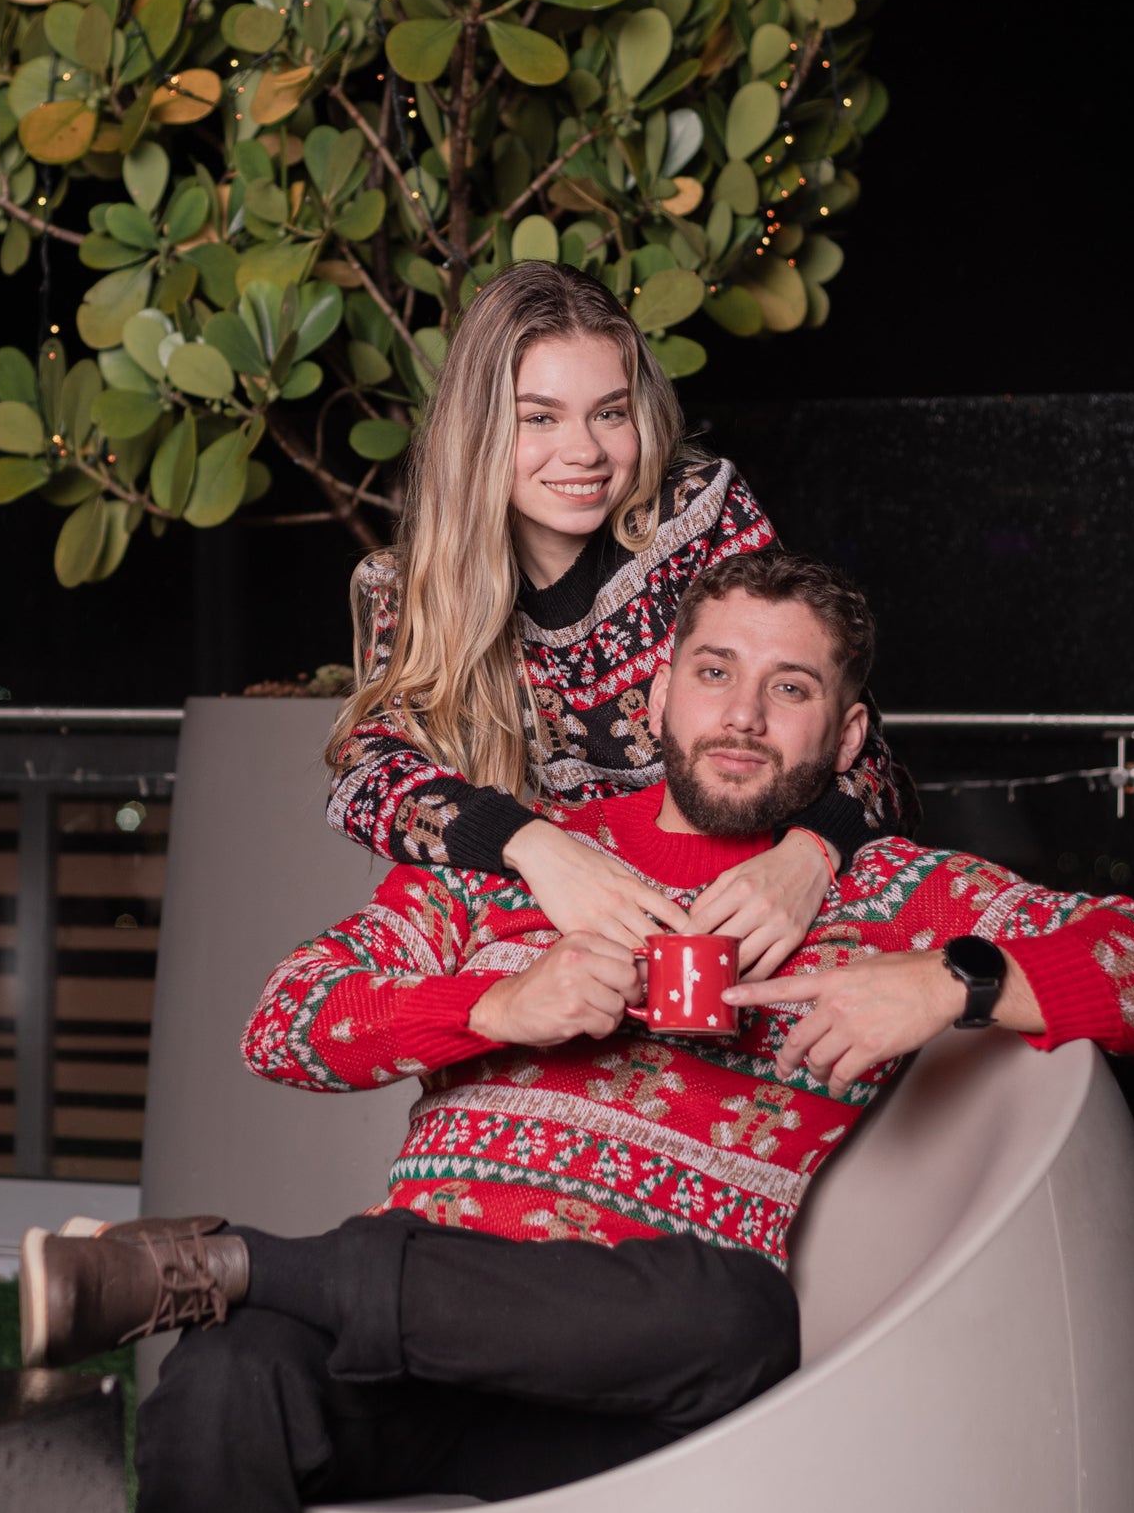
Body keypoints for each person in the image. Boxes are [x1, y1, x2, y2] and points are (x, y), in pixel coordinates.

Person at [18, 549, 1134, 1513]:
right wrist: (501, 1002)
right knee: (225, 1386)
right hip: (407, 1336)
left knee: (733, 1318)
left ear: (844, 737)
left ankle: (232, 1263)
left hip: (628, 1375)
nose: (741, 715)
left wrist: (944, 981)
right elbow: (287, 1017)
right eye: (713, 673)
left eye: (790, 691)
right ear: (659, 689)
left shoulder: (888, 893)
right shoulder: (531, 862)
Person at [324, 258, 913, 980]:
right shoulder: (410, 590)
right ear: (478, 430)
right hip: (570, 949)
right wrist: (535, 847)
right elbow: (362, 781)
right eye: (539, 417)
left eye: (609, 412)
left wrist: (808, 856)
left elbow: (858, 746)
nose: (586, 451)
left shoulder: (696, 519)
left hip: (751, 924)